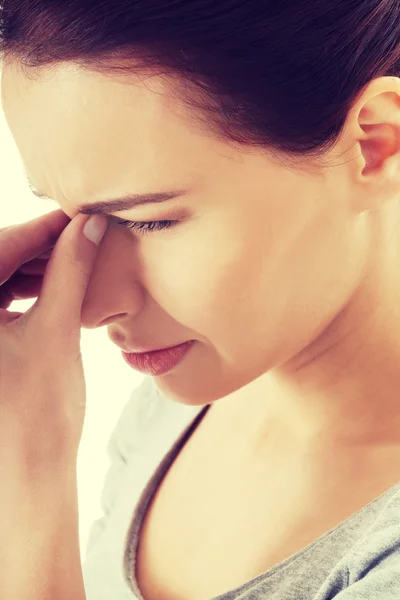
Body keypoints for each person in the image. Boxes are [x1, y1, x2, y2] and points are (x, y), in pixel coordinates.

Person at [1, 0, 400, 598]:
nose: (87, 306)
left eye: (151, 221)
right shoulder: (173, 401)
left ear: (373, 147)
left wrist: (29, 478)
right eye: (70, 212)